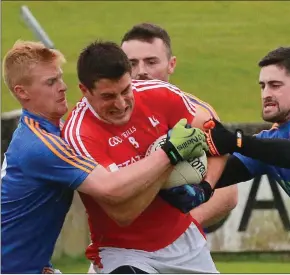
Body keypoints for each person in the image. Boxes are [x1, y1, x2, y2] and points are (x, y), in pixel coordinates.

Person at [1, 40, 208, 274]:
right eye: (50, 82)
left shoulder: (43, 134)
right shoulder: (41, 145)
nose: (62, 87)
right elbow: (110, 188)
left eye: (59, 77)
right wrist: (170, 152)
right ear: (22, 92)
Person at [62, 40, 225, 273]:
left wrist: (206, 187)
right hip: (123, 253)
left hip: (185, 243)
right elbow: (123, 213)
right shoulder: (78, 135)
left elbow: (221, 140)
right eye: (108, 96)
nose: (120, 104)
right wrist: (170, 156)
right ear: (84, 90)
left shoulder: (159, 94)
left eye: (126, 90)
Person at [204, 46, 290, 274]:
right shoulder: (269, 141)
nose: (266, 93)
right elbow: (217, 175)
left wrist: (236, 141)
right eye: (263, 86)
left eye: (275, 85)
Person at [120, 22, 238, 228]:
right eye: (131, 63)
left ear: (171, 64)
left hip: (179, 245)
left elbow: (228, 193)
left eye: (151, 62)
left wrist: (180, 229)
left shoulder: (198, 114)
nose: (141, 72)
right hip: (118, 242)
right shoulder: (108, 117)